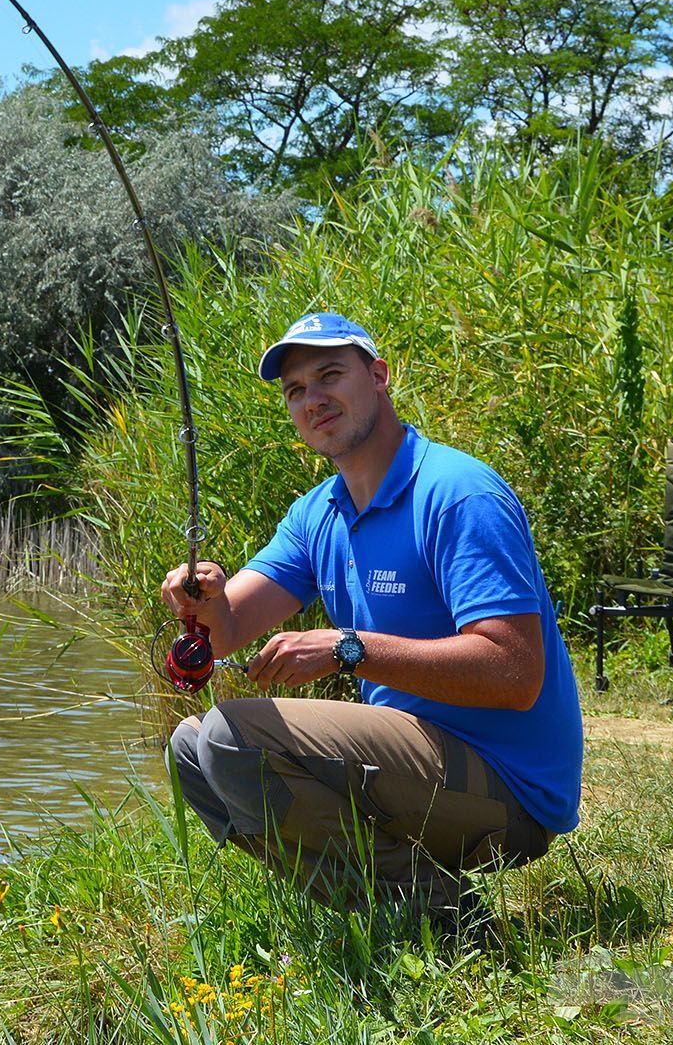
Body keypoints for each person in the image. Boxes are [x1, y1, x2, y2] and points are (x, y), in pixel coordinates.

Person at [161, 312, 583, 925]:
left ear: (379, 376)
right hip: (411, 772)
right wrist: (208, 597)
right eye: (296, 390)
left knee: (231, 735)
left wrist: (347, 648)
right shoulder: (318, 513)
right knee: (192, 751)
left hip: (508, 794)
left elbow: (515, 674)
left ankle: (439, 918)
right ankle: (396, 910)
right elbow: (227, 629)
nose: (313, 399)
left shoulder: (458, 493)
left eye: (330, 375)